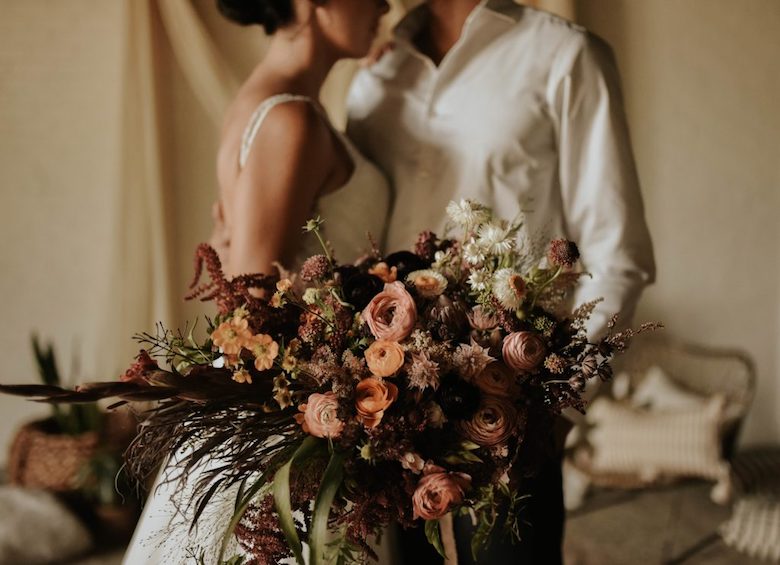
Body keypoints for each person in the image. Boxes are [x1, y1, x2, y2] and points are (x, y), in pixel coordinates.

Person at [346, 0, 655, 563]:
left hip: (511, 416)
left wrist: (551, 403)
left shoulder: (566, 56)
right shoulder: (375, 76)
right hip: (394, 415)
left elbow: (619, 255)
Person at [123, 1, 391, 563]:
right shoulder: (289, 119)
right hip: (285, 413)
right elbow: (250, 300)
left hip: (298, 397)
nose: (386, 3)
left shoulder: (277, 102)